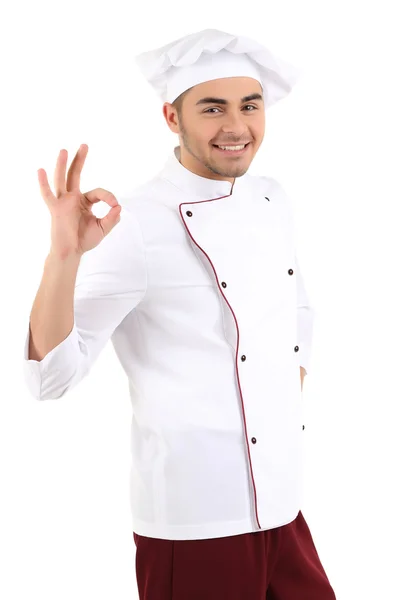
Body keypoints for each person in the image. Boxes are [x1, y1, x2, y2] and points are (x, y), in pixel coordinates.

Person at [23, 28, 336, 600]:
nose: (236, 126)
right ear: (172, 116)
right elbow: (51, 377)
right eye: (212, 108)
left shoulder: (272, 199)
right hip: (195, 523)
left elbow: (298, 309)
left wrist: (281, 394)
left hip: (281, 508)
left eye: (250, 105)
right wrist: (62, 256)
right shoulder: (137, 223)